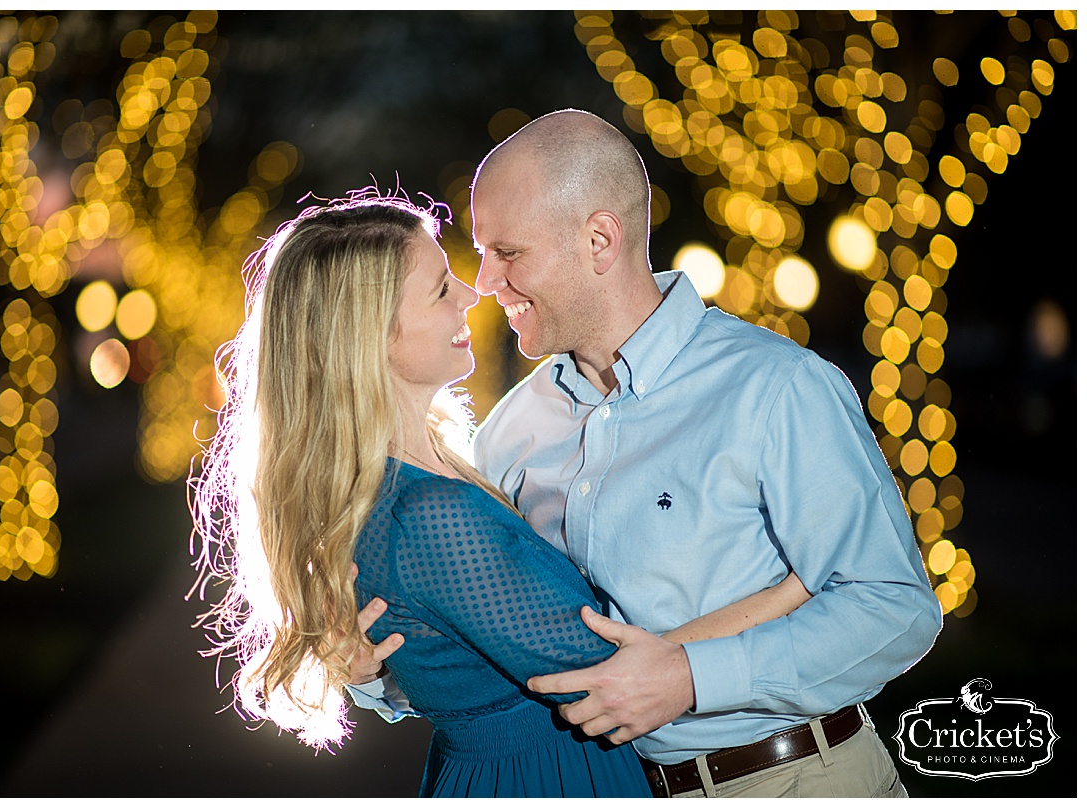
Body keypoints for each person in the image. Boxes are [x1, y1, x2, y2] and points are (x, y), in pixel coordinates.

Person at [354, 110, 944, 798]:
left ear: (600, 239)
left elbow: (895, 606)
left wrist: (694, 677)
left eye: (509, 253)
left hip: (792, 779)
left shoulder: (776, 387)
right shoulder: (511, 430)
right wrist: (375, 676)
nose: (484, 281)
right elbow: (492, 640)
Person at [189, 192, 811, 798]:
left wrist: (379, 674)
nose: (472, 293)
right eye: (440, 289)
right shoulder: (428, 513)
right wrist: (793, 589)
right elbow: (609, 675)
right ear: (369, 335)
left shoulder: (444, 467)